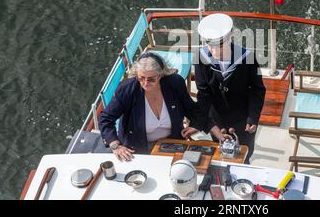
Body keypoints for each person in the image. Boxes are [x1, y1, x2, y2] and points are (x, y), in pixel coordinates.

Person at [185, 13, 266, 164]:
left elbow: (257, 89)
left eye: (220, 46)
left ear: (230, 39)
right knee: (220, 154)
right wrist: (198, 122)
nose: (215, 52)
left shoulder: (248, 57)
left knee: (244, 155)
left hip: (243, 119)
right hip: (217, 119)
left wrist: (253, 117)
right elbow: (204, 94)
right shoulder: (201, 58)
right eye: (211, 46)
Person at [99, 52, 206, 161]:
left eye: (151, 79)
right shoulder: (127, 89)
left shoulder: (175, 83)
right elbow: (106, 118)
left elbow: (192, 109)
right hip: (136, 149)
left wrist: (197, 124)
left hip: (173, 144)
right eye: (141, 78)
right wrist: (115, 146)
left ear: (160, 75)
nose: (145, 83)